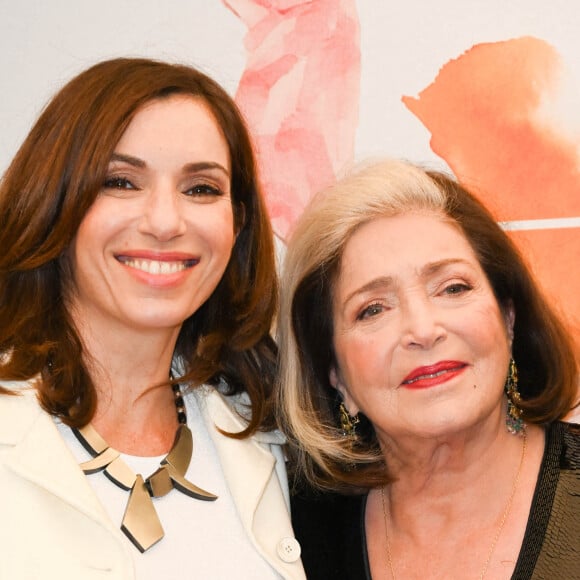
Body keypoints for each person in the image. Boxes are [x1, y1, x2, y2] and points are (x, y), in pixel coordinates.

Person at [0, 57, 305, 579]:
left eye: (201, 189)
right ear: (52, 202)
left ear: (239, 224)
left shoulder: (274, 432)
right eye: (120, 182)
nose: (165, 221)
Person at [276, 158, 579, 579]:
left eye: (453, 287)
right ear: (335, 375)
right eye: (372, 309)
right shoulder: (292, 533)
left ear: (508, 320)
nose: (422, 329)